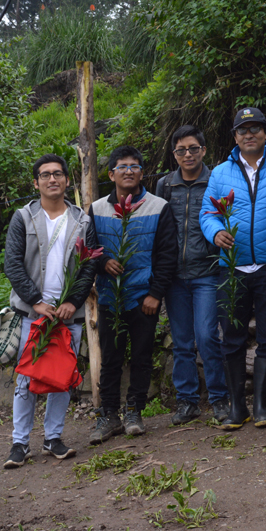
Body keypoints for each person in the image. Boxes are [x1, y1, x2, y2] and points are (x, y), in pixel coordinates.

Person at [2, 154, 98, 469]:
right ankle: (19, 443)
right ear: (36, 182)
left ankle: (53, 438)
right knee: (26, 378)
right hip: (33, 313)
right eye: (45, 175)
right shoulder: (23, 218)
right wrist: (35, 301)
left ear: (67, 180)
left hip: (67, 314)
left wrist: (73, 300)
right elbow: (13, 263)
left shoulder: (82, 220)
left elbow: (90, 264)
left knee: (62, 377)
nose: (52, 179)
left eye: (58, 174)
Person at [200, 107, 266, 430]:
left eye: (255, 128)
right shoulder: (221, 173)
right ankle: (238, 408)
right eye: (242, 130)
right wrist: (214, 232)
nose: (249, 134)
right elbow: (207, 213)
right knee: (232, 339)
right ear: (235, 137)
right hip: (232, 267)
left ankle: (262, 405)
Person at [89, 146, 178, 443]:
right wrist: (102, 263)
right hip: (109, 298)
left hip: (144, 298)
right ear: (111, 173)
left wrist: (155, 293)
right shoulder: (98, 208)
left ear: (142, 172)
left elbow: (167, 255)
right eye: (122, 166)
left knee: (141, 356)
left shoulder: (158, 206)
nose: (129, 171)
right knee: (110, 357)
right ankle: (108, 414)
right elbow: (90, 252)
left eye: (135, 166)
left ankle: (134, 411)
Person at [156, 126, 230, 425]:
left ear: (203, 150)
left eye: (193, 148)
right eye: (181, 150)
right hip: (174, 276)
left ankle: (219, 398)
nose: (187, 154)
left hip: (208, 273)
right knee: (182, 342)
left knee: (207, 336)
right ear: (174, 154)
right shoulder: (165, 186)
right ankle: (187, 402)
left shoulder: (217, 181)